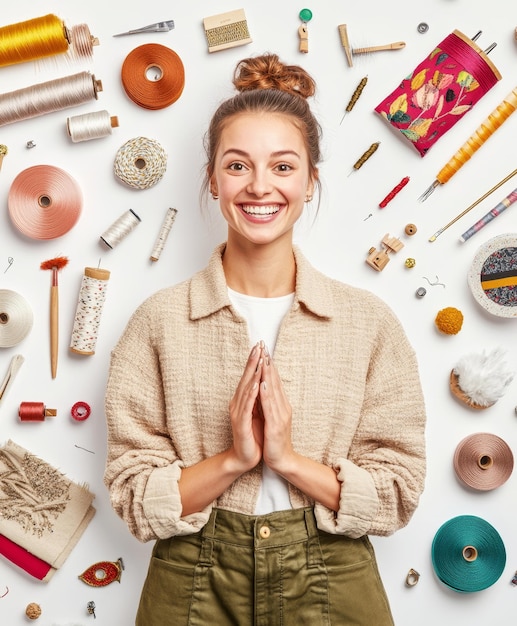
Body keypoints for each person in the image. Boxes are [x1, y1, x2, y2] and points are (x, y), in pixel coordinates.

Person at [104, 52, 426, 626]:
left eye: (282, 166)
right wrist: (235, 461)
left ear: (310, 180)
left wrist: (289, 461)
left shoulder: (367, 322)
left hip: (333, 571)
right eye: (236, 166)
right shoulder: (159, 321)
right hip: (193, 572)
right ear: (212, 178)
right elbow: (132, 497)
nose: (259, 187)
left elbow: (399, 491)